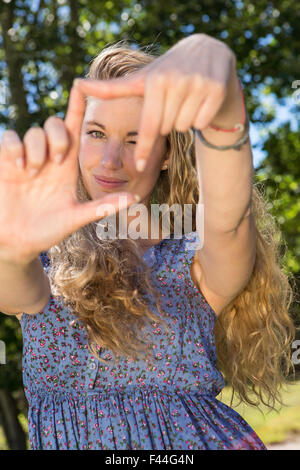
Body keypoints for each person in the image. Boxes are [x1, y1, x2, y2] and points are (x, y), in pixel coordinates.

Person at [0, 34, 295, 450]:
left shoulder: (195, 260)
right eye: (97, 133)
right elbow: (15, 286)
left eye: (135, 139)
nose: (110, 160)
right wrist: (10, 250)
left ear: (168, 154)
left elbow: (230, 218)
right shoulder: (45, 258)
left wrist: (224, 99)